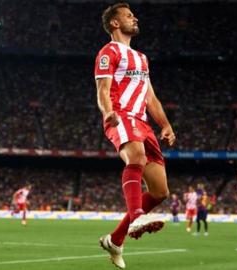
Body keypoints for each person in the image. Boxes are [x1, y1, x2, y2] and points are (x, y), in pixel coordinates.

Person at [94, 3, 176, 269]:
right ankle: (136, 215)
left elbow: (150, 97)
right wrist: (108, 112)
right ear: (115, 23)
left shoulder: (141, 58)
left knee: (160, 191)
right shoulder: (108, 52)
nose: (135, 18)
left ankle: (115, 240)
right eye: (129, 16)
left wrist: (165, 125)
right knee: (136, 157)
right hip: (121, 116)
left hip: (143, 124)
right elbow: (103, 89)